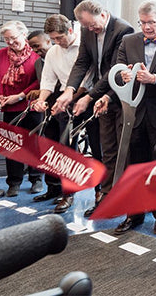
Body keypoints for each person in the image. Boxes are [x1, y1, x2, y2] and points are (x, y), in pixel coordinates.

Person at [54, 0, 134, 218]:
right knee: (106, 149)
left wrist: (89, 96)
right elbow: (82, 61)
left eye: (93, 25)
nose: (90, 30)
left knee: (120, 151)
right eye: (86, 27)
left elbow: (113, 71)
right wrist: (70, 90)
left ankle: (124, 199)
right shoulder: (87, 29)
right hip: (100, 95)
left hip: (118, 96)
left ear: (104, 15)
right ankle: (107, 197)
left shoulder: (123, 30)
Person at [111, 1, 156, 235]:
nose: (147, 27)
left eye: (151, 22)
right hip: (133, 111)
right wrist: (124, 74)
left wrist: (154, 78)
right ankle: (133, 215)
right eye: (142, 23)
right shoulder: (128, 41)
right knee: (135, 165)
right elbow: (118, 68)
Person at [31, 14, 95, 213]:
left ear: (69, 31)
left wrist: (70, 98)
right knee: (54, 145)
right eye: (53, 39)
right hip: (61, 99)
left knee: (73, 149)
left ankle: (70, 194)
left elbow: (87, 79)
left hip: (86, 98)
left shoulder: (85, 46)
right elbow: (48, 81)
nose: (57, 42)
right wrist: (41, 100)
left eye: (59, 38)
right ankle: (55, 189)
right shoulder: (52, 53)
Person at [0, 21, 43, 197]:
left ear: (23, 34)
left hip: (31, 107)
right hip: (9, 108)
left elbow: (39, 81)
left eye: (13, 38)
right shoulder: (1, 55)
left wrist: (19, 95)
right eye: (6, 39)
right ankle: (14, 182)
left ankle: (36, 179)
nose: (10, 42)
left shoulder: (35, 54)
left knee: (34, 144)